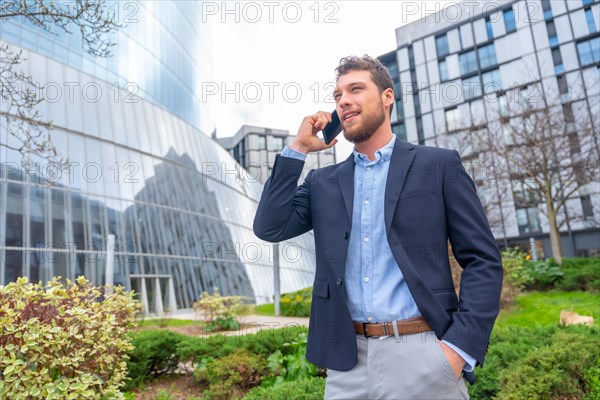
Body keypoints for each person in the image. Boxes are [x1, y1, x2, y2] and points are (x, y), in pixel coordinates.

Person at [253, 55, 503, 399]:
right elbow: (269, 226)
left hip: (425, 355)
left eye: (356, 89)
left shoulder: (439, 166)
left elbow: (482, 259)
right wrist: (298, 149)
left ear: (388, 96)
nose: (343, 100)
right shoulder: (323, 182)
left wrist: (458, 351)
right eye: (338, 94)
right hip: (347, 366)